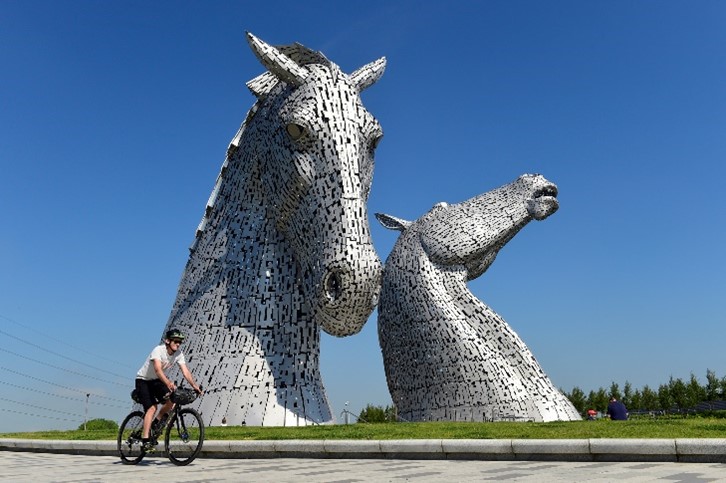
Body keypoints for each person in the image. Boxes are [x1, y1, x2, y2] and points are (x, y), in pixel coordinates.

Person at [135, 328, 202, 452]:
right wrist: (168, 383)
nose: (178, 344)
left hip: (156, 381)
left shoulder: (178, 354)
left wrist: (194, 385)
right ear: (167, 341)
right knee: (152, 407)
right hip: (143, 380)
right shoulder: (158, 350)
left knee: (172, 399)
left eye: (180, 342)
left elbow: (185, 371)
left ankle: (156, 423)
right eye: (175, 341)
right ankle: (145, 440)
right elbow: (158, 370)